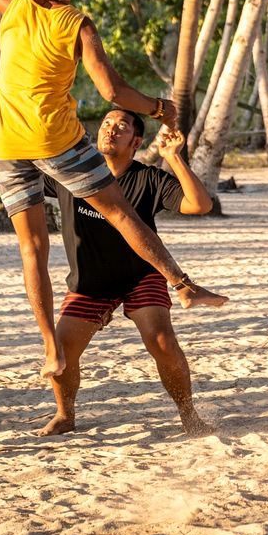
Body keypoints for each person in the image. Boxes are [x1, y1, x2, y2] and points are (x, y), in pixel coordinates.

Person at [0, 0, 227, 381]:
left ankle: (51, 347)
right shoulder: (77, 24)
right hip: (54, 139)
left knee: (32, 249)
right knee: (122, 213)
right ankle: (181, 285)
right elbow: (112, 91)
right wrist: (158, 107)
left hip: (6, 141)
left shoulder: (12, 1)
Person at [41, 110, 215, 437]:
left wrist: (173, 157)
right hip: (91, 280)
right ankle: (65, 415)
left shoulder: (149, 178)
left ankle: (189, 415)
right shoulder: (71, 175)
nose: (111, 130)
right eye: (107, 123)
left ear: (136, 142)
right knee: (61, 350)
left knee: (162, 341)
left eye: (121, 126)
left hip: (141, 276)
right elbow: (27, 166)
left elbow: (200, 205)